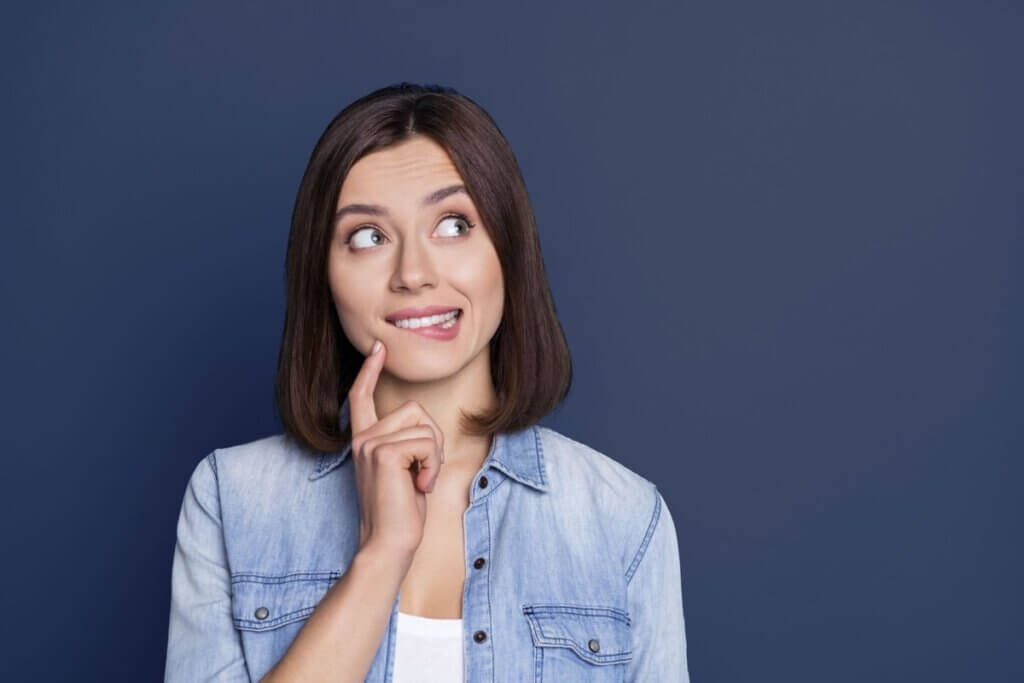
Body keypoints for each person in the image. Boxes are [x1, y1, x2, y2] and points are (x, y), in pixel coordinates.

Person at [164, 82, 690, 682]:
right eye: (368, 236)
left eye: (454, 224)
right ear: (324, 275)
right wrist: (381, 556)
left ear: (509, 252)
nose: (413, 273)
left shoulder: (622, 519)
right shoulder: (233, 500)